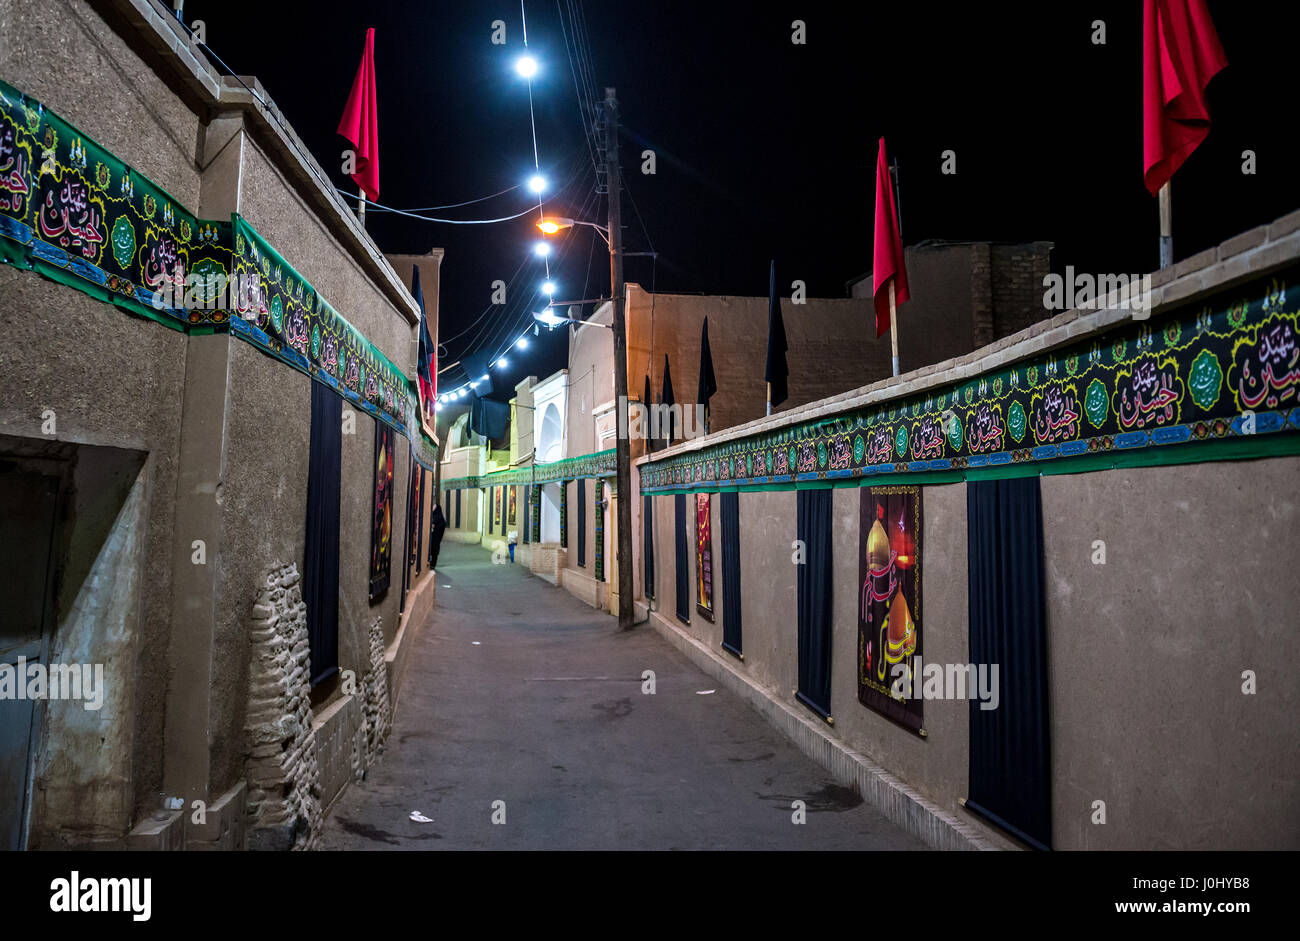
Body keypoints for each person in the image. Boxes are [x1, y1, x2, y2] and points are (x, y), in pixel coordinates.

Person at [428, 501, 447, 570]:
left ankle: (433, 564)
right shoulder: (432, 517)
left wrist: (433, 526)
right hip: (432, 538)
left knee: (434, 551)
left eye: (434, 507)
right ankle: (430, 563)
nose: (432, 508)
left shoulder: (440, 520)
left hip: (436, 538)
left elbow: (439, 530)